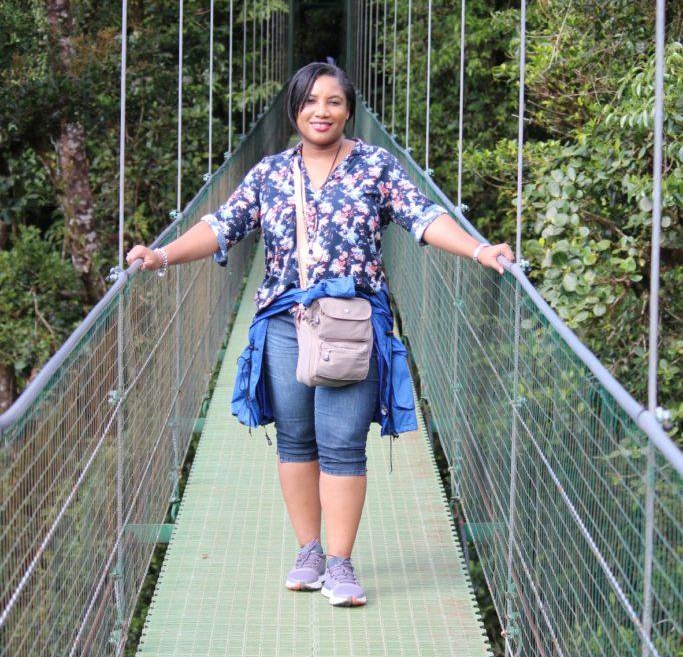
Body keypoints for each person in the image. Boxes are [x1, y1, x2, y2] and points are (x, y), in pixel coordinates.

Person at [126, 62, 514, 607]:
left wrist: (480, 249)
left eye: (333, 101)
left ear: (348, 109)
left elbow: (421, 216)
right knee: (295, 439)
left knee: (342, 441)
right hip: (284, 322)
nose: (321, 112)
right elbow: (222, 226)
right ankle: (307, 551)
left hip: (351, 323)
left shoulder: (375, 166)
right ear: (295, 110)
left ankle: (341, 563)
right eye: (310, 102)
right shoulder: (269, 174)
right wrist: (160, 254)